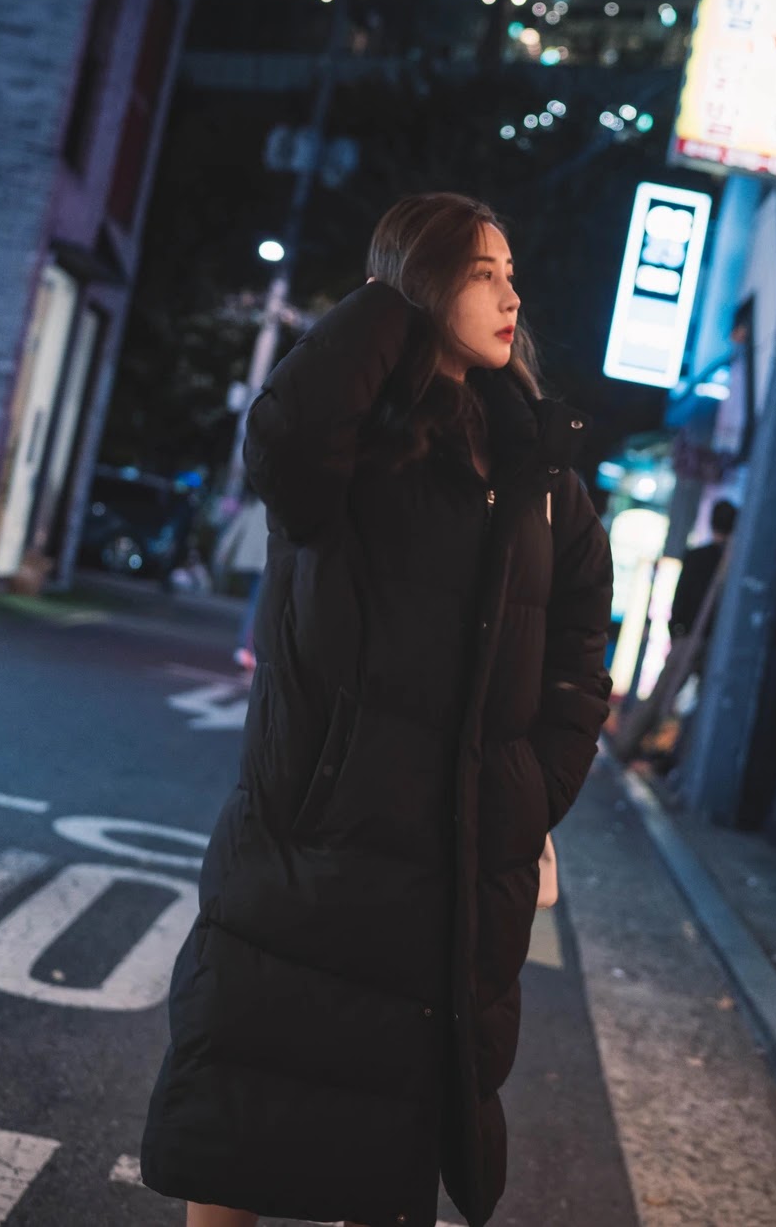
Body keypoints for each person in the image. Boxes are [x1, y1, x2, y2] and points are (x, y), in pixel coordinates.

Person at [141, 194, 615, 1227]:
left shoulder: (534, 469)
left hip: (452, 866)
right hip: (308, 849)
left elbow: (584, 636)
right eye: (481, 273)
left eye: (510, 273)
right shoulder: (349, 442)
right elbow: (283, 437)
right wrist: (384, 305)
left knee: (391, 1149)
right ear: (421, 286)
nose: (511, 296)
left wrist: (534, 783)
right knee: (235, 1114)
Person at [211, 493, 268, 670]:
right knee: (258, 604)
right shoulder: (277, 507)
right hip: (265, 563)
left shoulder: (255, 503)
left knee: (255, 602)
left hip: (249, 561)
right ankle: (247, 647)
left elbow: (238, 526)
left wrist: (223, 550)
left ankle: (246, 647)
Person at [668, 498, 737, 643]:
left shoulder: (696, 557)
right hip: (720, 638)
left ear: (712, 523)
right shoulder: (736, 563)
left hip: (691, 635)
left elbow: (681, 597)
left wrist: (676, 630)